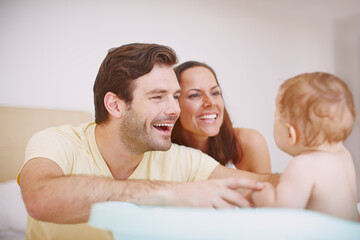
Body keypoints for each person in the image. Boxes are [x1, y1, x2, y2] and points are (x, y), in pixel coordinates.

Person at [18, 43, 279, 240]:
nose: (175, 110)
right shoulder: (59, 142)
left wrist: (315, 168)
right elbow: (39, 199)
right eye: (157, 97)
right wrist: (165, 192)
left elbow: (259, 186)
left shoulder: (182, 160)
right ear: (115, 105)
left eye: (176, 96)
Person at [251, 72, 358, 221]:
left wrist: (261, 194)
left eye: (275, 115)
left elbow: (282, 210)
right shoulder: (344, 154)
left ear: (291, 134)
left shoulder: (303, 165)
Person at [172, 61, 271, 173]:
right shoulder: (161, 155)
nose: (211, 102)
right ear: (174, 103)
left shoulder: (249, 143)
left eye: (215, 93)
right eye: (194, 95)